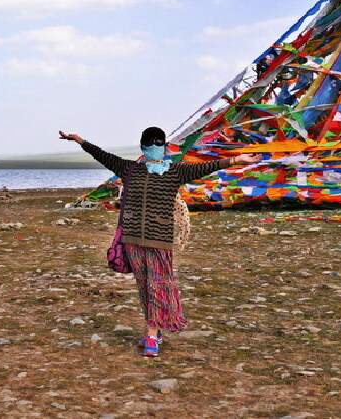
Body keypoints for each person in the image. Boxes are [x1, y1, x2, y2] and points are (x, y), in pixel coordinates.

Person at [59, 127, 259, 357]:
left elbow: (206, 167)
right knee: (145, 287)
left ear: (164, 147)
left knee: (158, 285)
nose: (155, 148)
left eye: (158, 144)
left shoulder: (175, 172)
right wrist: (79, 140)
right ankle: (154, 327)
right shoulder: (129, 169)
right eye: (150, 145)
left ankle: (152, 336)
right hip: (132, 241)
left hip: (159, 242)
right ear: (143, 148)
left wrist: (236, 159)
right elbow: (101, 154)